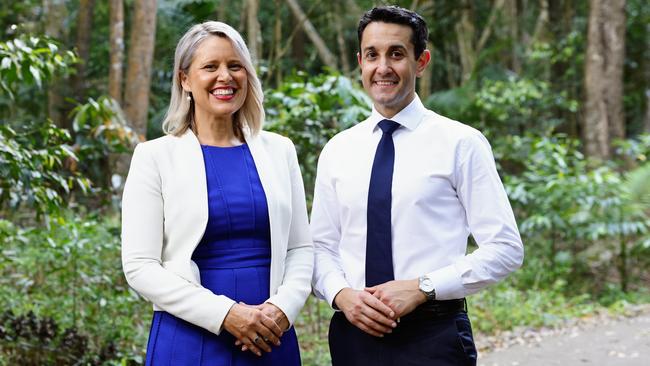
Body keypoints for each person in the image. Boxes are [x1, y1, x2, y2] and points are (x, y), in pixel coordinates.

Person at [311, 6, 524, 366]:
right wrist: (342, 295)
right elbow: (319, 247)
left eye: (396, 54)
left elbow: (505, 248)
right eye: (372, 55)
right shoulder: (337, 150)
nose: (383, 67)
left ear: (421, 61)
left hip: (434, 333)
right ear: (359, 62)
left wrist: (423, 287)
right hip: (352, 334)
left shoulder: (461, 143)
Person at [121, 21, 313, 365]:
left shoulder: (280, 151)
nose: (225, 76)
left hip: (271, 336)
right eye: (210, 66)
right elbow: (140, 266)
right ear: (185, 79)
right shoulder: (154, 157)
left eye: (235, 65)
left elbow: (300, 247)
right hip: (190, 337)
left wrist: (282, 309)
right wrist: (227, 314)